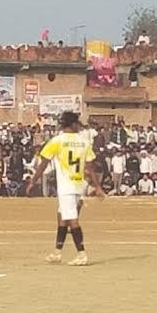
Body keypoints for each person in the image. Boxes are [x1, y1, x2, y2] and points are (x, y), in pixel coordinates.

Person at [26, 111, 103, 266]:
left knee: (72, 220)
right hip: (79, 184)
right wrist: (97, 186)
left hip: (67, 186)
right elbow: (90, 167)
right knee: (62, 217)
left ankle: (81, 254)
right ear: (73, 124)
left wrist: (33, 181)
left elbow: (43, 164)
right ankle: (57, 252)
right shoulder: (84, 142)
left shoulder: (57, 141)